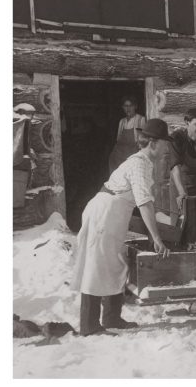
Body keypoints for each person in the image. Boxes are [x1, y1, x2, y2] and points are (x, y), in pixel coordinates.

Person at [71, 118, 173, 336]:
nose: (167, 148)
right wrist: (156, 237)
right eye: (165, 143)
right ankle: (89, 326)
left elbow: (143, 200)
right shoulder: (138, 163)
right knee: (96, 266)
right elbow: (144, 202)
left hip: (115, 216)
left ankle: (112, 318)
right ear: (153, 143)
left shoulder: (145, 163)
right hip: (104, 214)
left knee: (115, 264)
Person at [108, 95, 146, 173]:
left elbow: (143, 140)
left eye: (130, 106)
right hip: (120, 154)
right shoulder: (122, 121)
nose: (128, 109)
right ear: (123, 107)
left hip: (133, 153)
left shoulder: (141, 119)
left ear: (135, 106)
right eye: (125, 106)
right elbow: (118, 140)